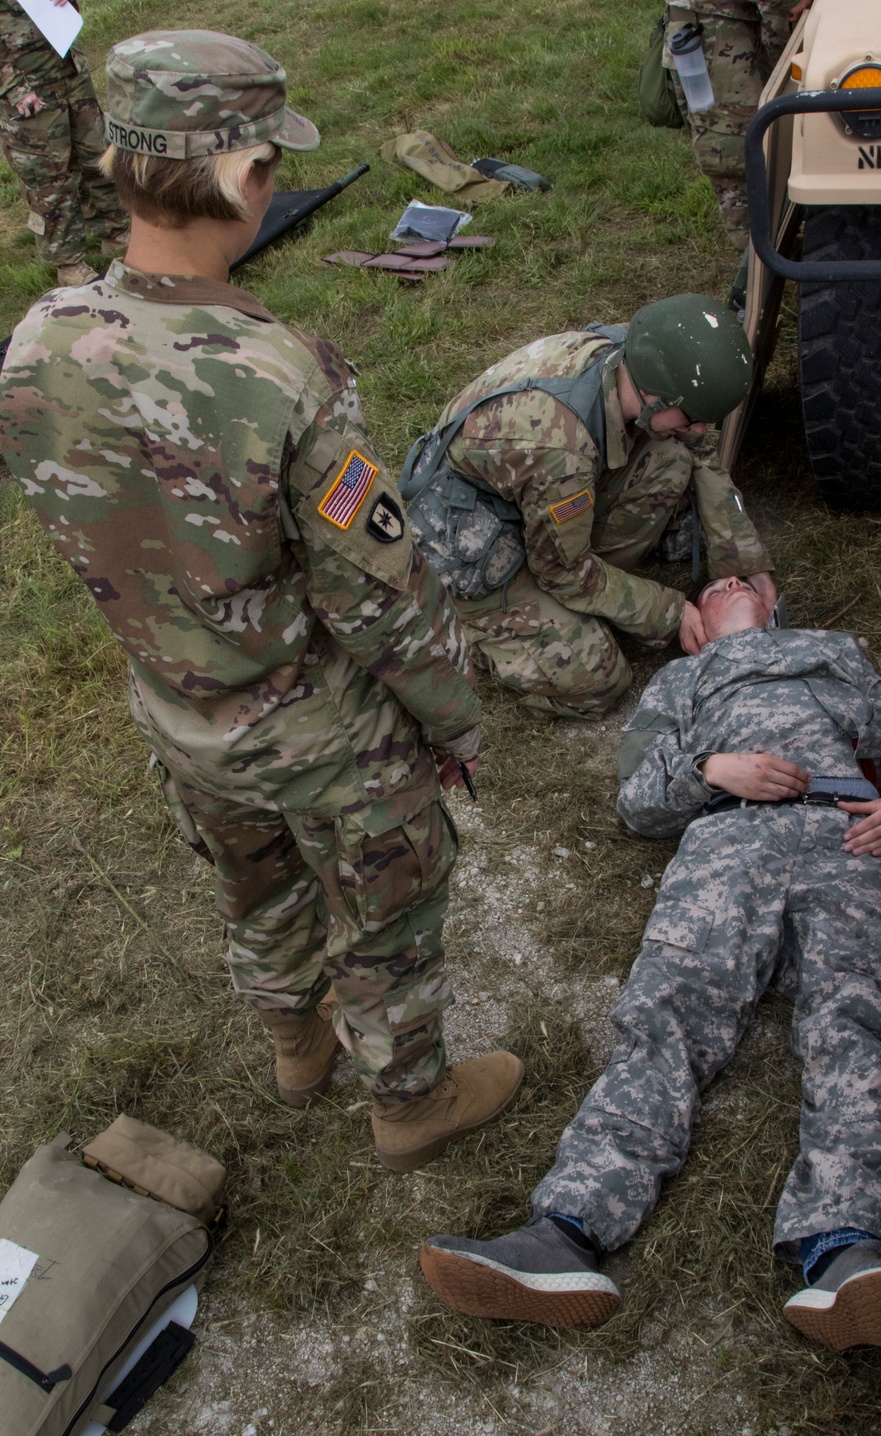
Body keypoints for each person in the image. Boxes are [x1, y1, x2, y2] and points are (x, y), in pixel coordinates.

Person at [0, 29, 523, 1174]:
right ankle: (409, 1102)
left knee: (252, 882)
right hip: (317, 730)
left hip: (177, 713)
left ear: (119, 166)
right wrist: (454, 720)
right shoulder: (278, 371)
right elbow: (381, 595)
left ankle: (294, 1039)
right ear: (244, 177)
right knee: (388, 908)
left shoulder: (34, 346)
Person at [420, 575, 881, 1350]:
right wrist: (710, 770)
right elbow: (637, 799)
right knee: (663, 1021)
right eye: (715, 583)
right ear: (695, 624)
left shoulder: (837, 657)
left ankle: (845, 1248)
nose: (734, 580)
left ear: (777, 607)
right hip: (725, 845)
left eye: (752, 578)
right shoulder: (681, 681)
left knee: (863, 1021)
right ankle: (563, 1234)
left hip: (852, 842)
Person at [403, 297, 775, 720]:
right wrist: (670, 612)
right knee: (599, 681)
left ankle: (584, 594)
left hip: (529, 497)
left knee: (672, 457)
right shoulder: (562, 453)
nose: (700, 429)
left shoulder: (636, 358)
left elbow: (700, 451)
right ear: (654, 396)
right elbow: (562, 571)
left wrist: (746, 561)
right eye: (692, 417)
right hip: (471, 545)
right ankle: (472, 625)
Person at [660, 0, 813, 251]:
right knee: (730, 140)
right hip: (717, 32)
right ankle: (757, 247)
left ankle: (768, 237)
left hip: (720, 25)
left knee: (743, 131)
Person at [0, 0, 128, 285]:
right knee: (50, 178)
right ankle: (69, 265)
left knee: (97, 150)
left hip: (69, 71)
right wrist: (13, 88)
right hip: (28, 91)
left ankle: (115, 230)